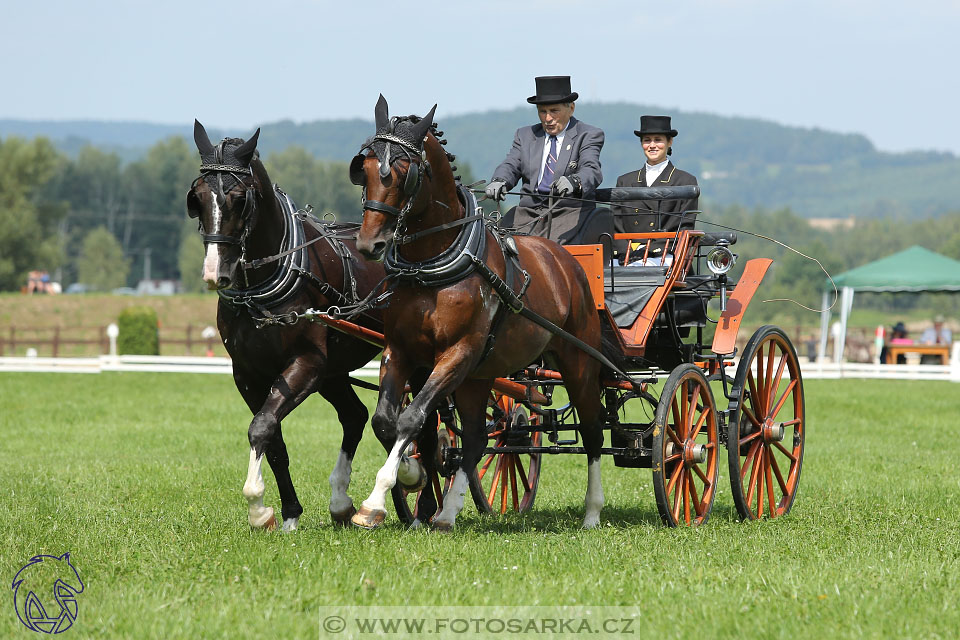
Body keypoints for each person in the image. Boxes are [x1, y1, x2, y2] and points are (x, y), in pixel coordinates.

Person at [485, 76, 605, 245]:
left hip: (568, 215)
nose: (547, 118)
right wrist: (499, 181)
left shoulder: (588, 135)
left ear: (571, 108)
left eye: (554, 111)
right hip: (527, 215)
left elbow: (591, 169)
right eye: (543, 111)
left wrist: (574, 181)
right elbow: (511, 164)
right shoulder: (525, 135)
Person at [613, 115, 698, 265]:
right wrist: (625, 252)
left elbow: (684, 228)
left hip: (665, 254)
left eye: (658, 139)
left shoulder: (685, 181)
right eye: (647, 140)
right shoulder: (625, 181)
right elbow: (616, 225)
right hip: (627, 255)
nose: (652, 145)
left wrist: (648, 250)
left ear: (669, 142)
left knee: (638, 268)